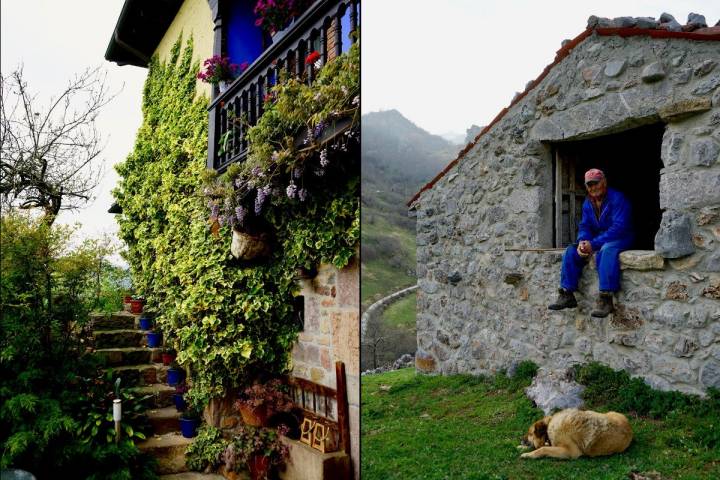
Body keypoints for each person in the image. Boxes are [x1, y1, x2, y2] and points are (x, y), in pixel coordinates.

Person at [548, 168, 634, 318]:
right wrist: (583, 241)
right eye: (589, 185)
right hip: (599, 239)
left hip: (621, 237)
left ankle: (606, 298)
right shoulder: (588, 202)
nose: (593, 188)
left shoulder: (618, 198)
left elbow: (618, 228)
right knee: (570, 250)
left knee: (606, 250)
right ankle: (567, 293)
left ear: (604, 182)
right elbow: (585, 225)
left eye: (596, 183)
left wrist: (593, 244)